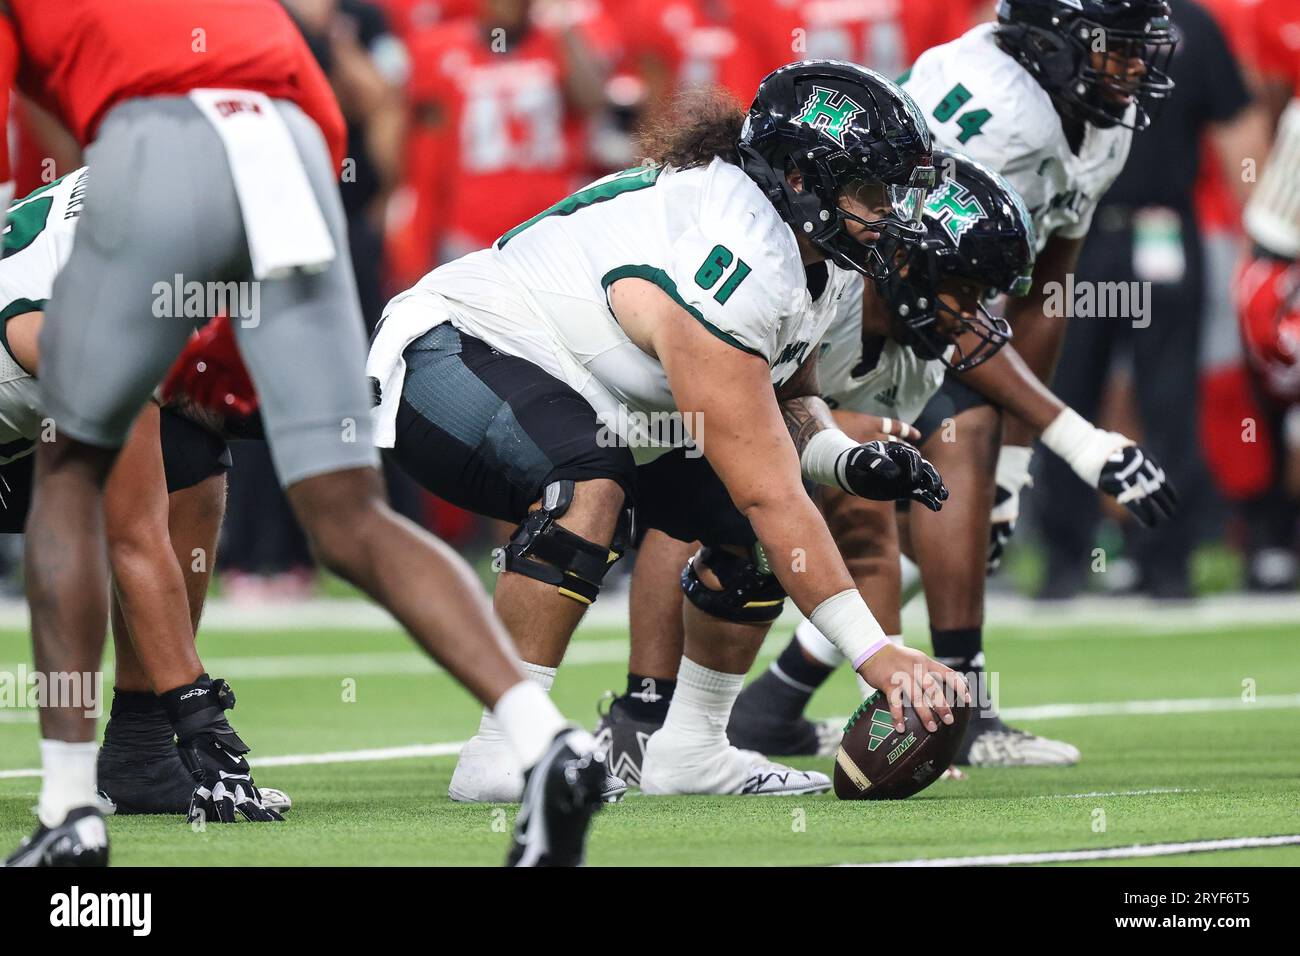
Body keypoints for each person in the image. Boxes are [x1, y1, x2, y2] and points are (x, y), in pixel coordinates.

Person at [1, 0, 601, 869]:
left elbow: (128, 535)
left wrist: (196, 712)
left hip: (150, 152)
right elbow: (317, 99)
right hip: (287, 153)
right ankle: (546, 740)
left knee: (76, 475)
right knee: (349, 512)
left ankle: (67, 810)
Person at [366, 62, 968, 802]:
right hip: (453, 352)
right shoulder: (734, 254)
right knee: (591, 481)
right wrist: (877, 653)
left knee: (737, 530)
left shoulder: (818, 252)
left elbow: (788, 401)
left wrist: (846, 463)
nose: (894, 213)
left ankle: (690, 750)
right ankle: (503, 749)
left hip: (596, 394)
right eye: (875, 191)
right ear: (806, 179)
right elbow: (774, 493)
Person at [842, 0, 1176, 764]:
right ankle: (945, 712)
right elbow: (920, 284)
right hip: (849, 302)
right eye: (1113, 49)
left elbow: (1046, 285)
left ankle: (811, 706)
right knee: (903, 474)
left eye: (1139, 50)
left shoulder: (1096, 118)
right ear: (1050, 41)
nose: (1133, 69)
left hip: (921, 309)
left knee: (970, 446)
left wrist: (1019, 470)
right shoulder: (998, 110)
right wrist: (1079, 439)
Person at [0, 168, 291, 819]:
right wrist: (198, 714)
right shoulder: (108, 297)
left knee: (188, 450)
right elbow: (133, 537)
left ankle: (137, 749)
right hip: (34, 397)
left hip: (28, 422)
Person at [1035, 0, 1260, 600]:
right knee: (1067, 394)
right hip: (1076, 232)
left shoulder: (1192, 23)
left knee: (1169, 400)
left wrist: (1255, 236)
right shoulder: (1060, 17)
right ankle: (1065, 556)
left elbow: (1237, 127)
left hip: (1161, 226)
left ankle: (1165, 559)